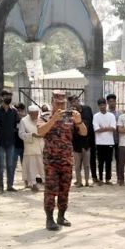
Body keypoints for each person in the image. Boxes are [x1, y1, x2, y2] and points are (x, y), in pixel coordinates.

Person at [37, 90, 87, 230]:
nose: (60, 106)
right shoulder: (45, 116)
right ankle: (49, 219)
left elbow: (84, 132)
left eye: (63, 103)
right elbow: (40, 132)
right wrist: (54, 119)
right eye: (58, 103)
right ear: (52, 102)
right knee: (51, 190)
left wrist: (79, 121)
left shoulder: (70, 117)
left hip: (66, 159)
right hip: (51, 161)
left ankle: (61, 216)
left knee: (65, 189)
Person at [0, 89, 20, 192]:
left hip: (11, 142)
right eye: (6, 96)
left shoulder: (14, 111)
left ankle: (10, 185)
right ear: (1, 97)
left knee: (10, 164)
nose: (8, 98)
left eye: (10, 96)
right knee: (0, 165)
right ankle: (1, 186)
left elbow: (16, 125)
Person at [17, 104, 45, 192]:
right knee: (31, 166)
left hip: (41, 145)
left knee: (43, 166)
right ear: (29, 113)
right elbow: (21, 134)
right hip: (30, 147)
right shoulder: (24, 121)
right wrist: (31, 135)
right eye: (33, 114)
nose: (35, 116)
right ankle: (33, 183)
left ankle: (46, 182)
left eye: (37, 114)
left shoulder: (41, 119)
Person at [70, 95, 93, 187]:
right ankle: (79, 182)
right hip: (76, 142)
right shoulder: (70, 113)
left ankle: (87, 181)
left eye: (76, 100)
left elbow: (90, 124)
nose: (74, 102)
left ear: (79, 100)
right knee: (77, 165)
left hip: (86, 141)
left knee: (87, 164)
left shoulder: (87, 109)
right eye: (72, 102)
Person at [93, 97, 116, 185]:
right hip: (99, 142)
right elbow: (96, 129)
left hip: (109, 142)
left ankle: (108, 179)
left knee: (109, 162)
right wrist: (107, 128)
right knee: (100, 162)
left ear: (106, 105)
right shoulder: (96, 116)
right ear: (98, 106)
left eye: (104, 104)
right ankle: (101, 179)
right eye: (100, 105)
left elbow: (113, 128)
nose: (102, 106)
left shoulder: (111, 115)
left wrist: (102, 128)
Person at [13, 103, 26, 187]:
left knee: (24, 165)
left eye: (21, 111)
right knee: (12, 165)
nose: (20, 113)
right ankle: (11, 182)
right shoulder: (12, 120)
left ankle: (26, 182)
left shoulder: (25, 121)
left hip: (24, 146)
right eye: (18, 111)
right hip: (14, 146)